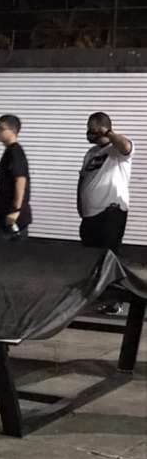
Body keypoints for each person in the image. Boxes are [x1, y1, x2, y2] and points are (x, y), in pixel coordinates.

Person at [78, 112, 133, 315]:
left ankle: (114, 301)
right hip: (90, 215)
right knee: (91, 259)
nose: (88, 133)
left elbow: (126, 146)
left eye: (91, 128)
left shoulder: (117, 150)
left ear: (100, 128)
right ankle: (95, 297)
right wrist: (80, 206)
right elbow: (83, 179)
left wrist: (108, 133)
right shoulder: (91, 153)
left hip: (110, 213)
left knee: (108, 258)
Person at [0, 114, 32, 241]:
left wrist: (15, 210)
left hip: (12, 219)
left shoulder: (15, 152)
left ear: (12, 131)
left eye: (0, 128)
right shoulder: (10, 151)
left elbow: (20, 180)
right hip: (6, 216)